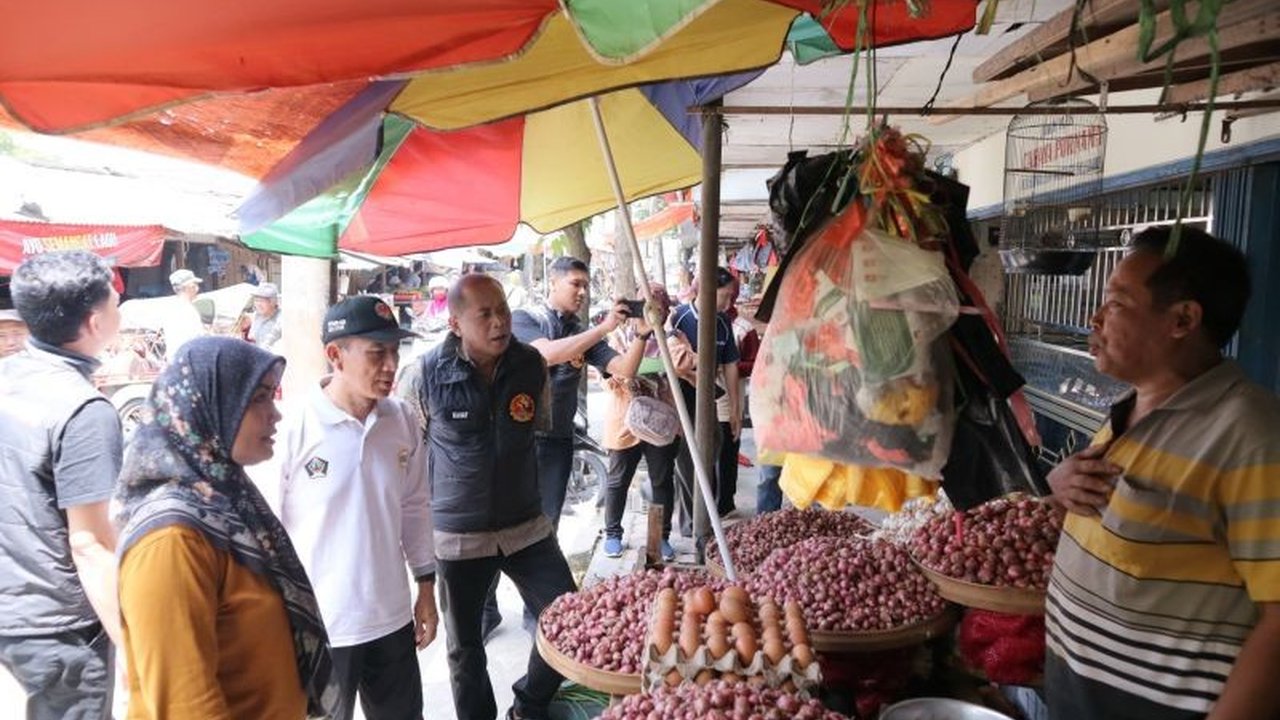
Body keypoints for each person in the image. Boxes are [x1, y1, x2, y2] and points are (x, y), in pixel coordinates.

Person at [1045, 227, 1280, 720]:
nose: (1095, 318)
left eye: (1116, 303)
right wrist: (1059, 487)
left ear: (1182, 319)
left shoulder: (1249, 435)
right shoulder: (1127, 411)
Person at [115, 337, 337, 719]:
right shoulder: (170, 540)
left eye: (272, 396)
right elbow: (185, 708)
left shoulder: (227, 501)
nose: (275, 414)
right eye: (258, 398)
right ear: (210, 407)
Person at [400, 273, 577, 720]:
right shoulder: (424, 374)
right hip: (458, 537)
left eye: (502, 310)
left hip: (527, 527)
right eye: (485, 314)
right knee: (464, 650)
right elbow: (407, 453)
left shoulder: (530, 365)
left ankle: (528, 705)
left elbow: (537, 432)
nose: (500, 322)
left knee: (570, 622)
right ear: (456, 323)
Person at [252, 296, 436, 720]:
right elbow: (266, 531)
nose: (391, 365)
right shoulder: (294, 427)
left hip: (391, 618)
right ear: (335, 355)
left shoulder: (402, 419)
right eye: (376, 353)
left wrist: (426, 586)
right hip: (321, 625)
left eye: (394, 351)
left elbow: (414, 506)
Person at [0, 251, 124, 719]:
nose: (120, 310)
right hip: (58, 625)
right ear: (95, 322)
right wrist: (130, 640)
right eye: (115, 302)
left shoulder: (7, 376)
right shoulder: (84, 410)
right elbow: (90, 544)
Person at [511, 256, 647, 529]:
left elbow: (625, 369)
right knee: (511, 522)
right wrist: (604, 328)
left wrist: (643, 335)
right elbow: (545, 354)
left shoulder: (581, 332)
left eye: (586, 285)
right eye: (576, 284)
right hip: (520, 440)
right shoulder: (524, 318)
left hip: (559, 440)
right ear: (553, 282)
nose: (583, 292)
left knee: (549, 523)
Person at [600, 284, 695, 562]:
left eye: (657, 306)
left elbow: (687, 365)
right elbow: (608, 374)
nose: (649, 311)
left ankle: (660, 537)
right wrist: (632, 367)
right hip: (625, 421)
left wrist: (664, 336)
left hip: (663, 423)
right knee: (618, 479)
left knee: (662, 480)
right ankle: (613, 534)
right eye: (643, 305)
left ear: (665, 310)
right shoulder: (618, 335)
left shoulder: (674, 337)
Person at [669, 267, 741, 533]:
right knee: (688, 459)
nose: (728, 303)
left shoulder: (723, 323)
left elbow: (731, 365)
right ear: (706, 291)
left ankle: (705, 516)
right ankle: (694, 525)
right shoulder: (679, 318)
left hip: (708, 395)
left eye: (731, 297)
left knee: (712, 448)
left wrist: (735, 408)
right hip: (681, 395)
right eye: (724, 296)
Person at [161, 268, 206, 362]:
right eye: (195, 284)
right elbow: (195, 340)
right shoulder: (186, 310)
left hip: (178, 361)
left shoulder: (172, 309)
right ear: (188, 287)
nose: (197, 288)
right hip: (187, 361)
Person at [248, 282, 283, 351]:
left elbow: (270, 341)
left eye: (262, 301)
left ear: (273, 302)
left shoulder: (280, 319)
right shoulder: (256, 316)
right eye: (256, 300)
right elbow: (251, 338)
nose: (258, 304)